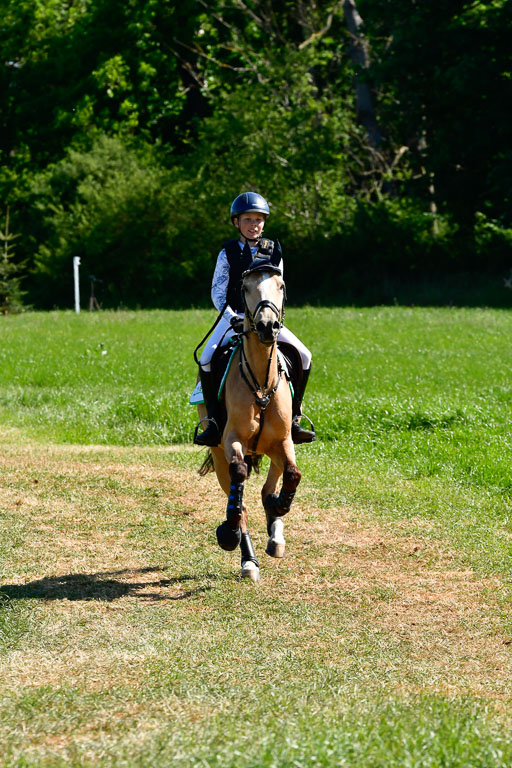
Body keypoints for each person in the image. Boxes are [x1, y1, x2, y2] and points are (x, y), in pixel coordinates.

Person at [194, 191, 315, 447]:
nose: (254, 225)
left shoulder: (274, 252)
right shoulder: (227, 253)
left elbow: (279, 289)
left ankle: (294, 418)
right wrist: (230, 318)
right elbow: (218, 291)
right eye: (248, 220)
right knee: (206, 359)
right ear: (237, 222)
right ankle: (214, 422)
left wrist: (274, 318)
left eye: (258, 220)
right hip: (234, 318)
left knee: (304, 355)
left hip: (267, 319)